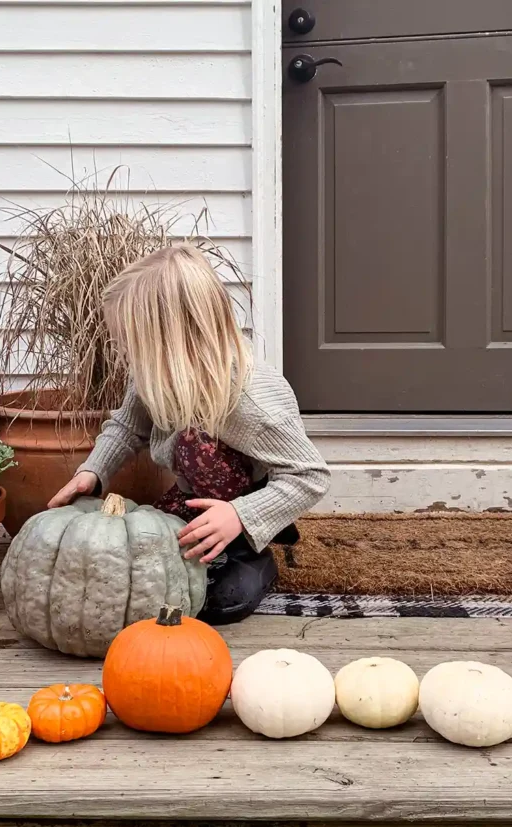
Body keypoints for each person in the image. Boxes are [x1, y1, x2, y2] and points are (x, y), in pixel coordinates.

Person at [48, 243, 330, 624]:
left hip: (244, 503)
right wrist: (93, 471)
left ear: (172, 343)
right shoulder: (154, 373)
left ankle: (250, 556)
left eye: (130, 343)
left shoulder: (251, 401)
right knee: (143, 565)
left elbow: (309, 475)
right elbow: (127, 425)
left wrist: (239, 515)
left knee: (213, 602)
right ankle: (197, 530)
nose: (123, 352)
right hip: (191, 496)